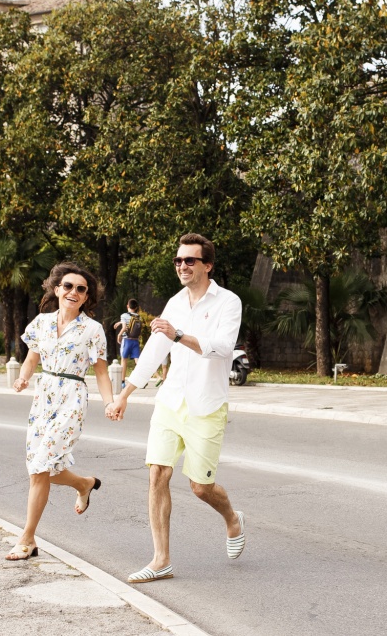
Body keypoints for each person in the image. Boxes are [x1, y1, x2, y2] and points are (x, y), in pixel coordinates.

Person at [107, 233, 244, 583]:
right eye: (178, 260)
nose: (182, 266)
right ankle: (161, 560)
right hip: (171, 401)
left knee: (200, 487)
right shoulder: (175, 302)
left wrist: (179, 335)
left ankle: (232, 518)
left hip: (206, 404)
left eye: (189, 260)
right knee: (157, 473)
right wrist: (125, 394)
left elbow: (223, 348)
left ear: (207, 265)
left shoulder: (228, 302)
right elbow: (155, 350)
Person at [5, 262, 115, 561]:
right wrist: (23, 378)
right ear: (57, 290)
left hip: (72, 399)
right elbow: (32, 358)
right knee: (40, 469)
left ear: (86, 297)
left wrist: (109, 402)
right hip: (43, 397)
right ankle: (84, 483)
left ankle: (27, 538)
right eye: (68, 286)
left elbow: (101, 372)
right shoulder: (41, 322)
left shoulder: (92, 329)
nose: (73, 292)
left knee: (41, 467)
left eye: (81, 289)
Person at [114, 298, 142, 376]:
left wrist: (119, 335)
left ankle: (122, 380)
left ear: (127, 306)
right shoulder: (139, 317)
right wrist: (120, 322)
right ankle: (143, 378)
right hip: (135, 341)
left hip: (127, 340)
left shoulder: (124, 315)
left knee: (124, 359)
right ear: (136, 307)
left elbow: (124, 328)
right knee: (137, 360)